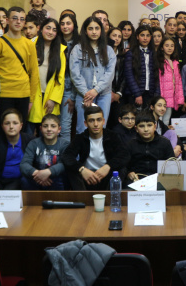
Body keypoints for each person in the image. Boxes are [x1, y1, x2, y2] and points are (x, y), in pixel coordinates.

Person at [0, 7, 40, 132]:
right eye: (15, 18)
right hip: (4, 94)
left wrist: (31, 99)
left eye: (22, 19)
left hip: (23, 94)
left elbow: (34, 73)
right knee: (3, 131)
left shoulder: (29, 44)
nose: (18, 22)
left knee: (19, 132)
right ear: (7, 20)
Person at [62, 106, 129, 190]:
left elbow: (124, 155)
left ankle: (111, 197)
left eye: (99, 120)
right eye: (91, 121)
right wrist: (81, 169)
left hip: (106, 176)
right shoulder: (80, 138)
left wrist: (108, 166)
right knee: (71, 170)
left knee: (121, 169)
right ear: (85, 123)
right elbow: (66, 156)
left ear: (103, 121)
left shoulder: (112, 136)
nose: (96, 124)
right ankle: (82, 197)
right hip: (87, 177)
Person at [28, 19, 66, 134]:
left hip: (49, 97)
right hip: (32, 95)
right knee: (28, 131)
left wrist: (53, 99)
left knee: (47, 133)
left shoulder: (60, 50)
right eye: (48, 28)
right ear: (41, 29)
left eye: (54, 30)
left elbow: (60, 78)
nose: (50, 32)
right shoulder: (31, 45)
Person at [0, 109, 31, 190]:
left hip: (20, 181)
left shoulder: (29, 141)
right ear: (2, 126)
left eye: (15, 123)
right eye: (7, 123)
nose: (11, 127)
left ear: (21, 126)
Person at [20, 113, 69, 190]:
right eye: (45, 126)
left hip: (56, 178)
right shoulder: (34, 143)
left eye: (53, 126)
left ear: (59, 129)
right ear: (41, 129)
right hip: (37, 178)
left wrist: (48, 172)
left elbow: (65, 164)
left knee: (64, 177)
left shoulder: (65, 144)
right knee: (24, 180)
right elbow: (24, 164)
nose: (49, 129)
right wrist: (38, 174)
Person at [126, 113, 175, 183]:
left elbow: (171, 164)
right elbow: (124, 165)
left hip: (160, 180)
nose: (146, 129)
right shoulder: (131, 144)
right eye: (141, 126)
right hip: (137, 180)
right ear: (136, 129)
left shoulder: (165, 143)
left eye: (149, 125)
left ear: (155, 127)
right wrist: (129, 173)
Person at [123, 26, 159, 107]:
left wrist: (156, 94)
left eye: (148, 35)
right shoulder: (131, 53)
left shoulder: (153, 53)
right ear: (137, 37)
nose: (145, 38)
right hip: (134, 93)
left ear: (151, 37)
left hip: (149, 93)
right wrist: (137, 94)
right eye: (142, 35)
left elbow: (156, 75)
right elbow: (129, 75)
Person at [58, 12, 78, 140]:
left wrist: (72, 96)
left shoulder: (80, 43)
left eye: (68, 23)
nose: (65, 26)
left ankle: (65, 152)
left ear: (74, 25)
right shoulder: (55, 41)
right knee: (53, 124)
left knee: (65, 127)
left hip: (70, 89)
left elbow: (79, 72)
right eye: (62, 24)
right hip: (55, 87)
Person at [157, 37, 185, 124]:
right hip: (161, 98)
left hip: (171, 98)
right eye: (167, 45)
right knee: (158, 120)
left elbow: (179, 82)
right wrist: (160, 97)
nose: (170, 48)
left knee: (166, 121)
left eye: (172, 46)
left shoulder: (175, 63)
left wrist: (180, 99)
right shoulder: (159, 62)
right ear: (162, 47)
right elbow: (159, 82)